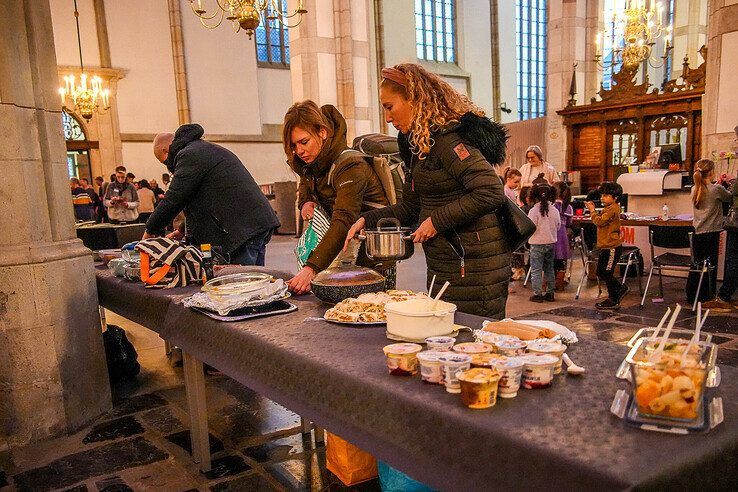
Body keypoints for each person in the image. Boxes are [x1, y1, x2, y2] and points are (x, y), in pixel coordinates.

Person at [345, 63, 510, 319]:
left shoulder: (448, 141)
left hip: (477, 267)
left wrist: (436, 221)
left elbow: (489, 190)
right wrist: (368, 219)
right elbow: (411, 207)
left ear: (414, 99)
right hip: (448, 261)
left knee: (473, 343)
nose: (387, 117)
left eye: (390, 106)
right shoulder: (420, 146)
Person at [283, 100, 392, 294]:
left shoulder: (350, 165)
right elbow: (306, 177)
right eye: (294, 145)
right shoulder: (315, 160)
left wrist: (312, 268)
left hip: (371, 252)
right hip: (343, 249)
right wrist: (304, 202)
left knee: (367, 310)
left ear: (322, 132)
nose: (299, 151)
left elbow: (343, 220)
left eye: (304, 142)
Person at [143, 124, 280, 266]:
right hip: (252, 224)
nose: (168, 166)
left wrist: (150, 231)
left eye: (164, 161)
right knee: (255, 281)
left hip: (241, 229)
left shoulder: (189, 155)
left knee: (241, 283)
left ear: (166, 150)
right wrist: (182, 230)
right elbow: (203, 200)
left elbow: (174, 198)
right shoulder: (202, 149)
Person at [686, 159, 732, 304]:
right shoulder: (716, 189)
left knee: (697, 264)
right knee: (710, 265)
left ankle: (693, 294)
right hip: (712, 231)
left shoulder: (695, 188)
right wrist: (728, 183)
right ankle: (707, 294)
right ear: (711, 172)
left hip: (697, 231)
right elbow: (729, 197)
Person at [585, 182, 627, 310]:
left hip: (612, 247)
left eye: (606, 195)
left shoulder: (613, 208)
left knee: (606, 272)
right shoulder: (608, 208)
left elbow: (599, 221)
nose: (602, 198)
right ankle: (618, 291)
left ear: (615, 197)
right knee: (600, 272)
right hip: (605, 246)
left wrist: (592, 211)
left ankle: (615, 296)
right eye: (602, 195)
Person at [527, 184, 561, 302]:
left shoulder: (533, 211)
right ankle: (550, 293)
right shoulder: (555, 210)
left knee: (536, 270)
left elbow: (530, 227)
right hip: (551, 243)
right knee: (549, 269)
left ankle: (537, 294)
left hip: (536, 243)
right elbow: (558, 226)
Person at [553, 181, 573, 291]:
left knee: (551, 263)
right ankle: (560, 285)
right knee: (562, 262)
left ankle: (549, 285)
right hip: (563, 237)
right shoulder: (568, 207)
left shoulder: (551, 206)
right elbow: (570, 223)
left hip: (552, 236)